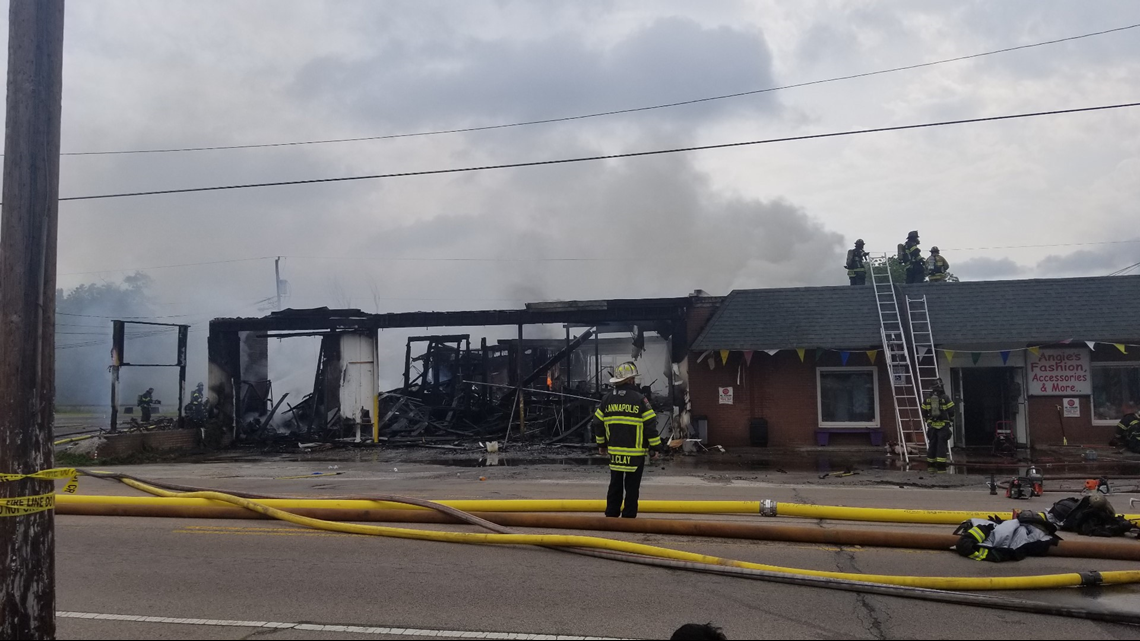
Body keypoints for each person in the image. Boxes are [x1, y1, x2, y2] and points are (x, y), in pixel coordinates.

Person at [592, 361, 661, 518]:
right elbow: (650, 425)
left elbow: (597, 422)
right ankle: (629, 517)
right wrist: (655, 448)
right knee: (632, 487)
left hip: (615, 453)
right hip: (635, 454)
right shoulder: (640, 399)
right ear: (630, 380)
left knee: (615, 484)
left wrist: (601, 444)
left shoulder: (607, 399)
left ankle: (611, 515)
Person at [921, 380, 955, 470]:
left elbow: (923, 412)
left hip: (932, 425)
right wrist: (951, 419)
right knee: (941, 445)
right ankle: (941, 464)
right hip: (943, 425)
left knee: (932, 444)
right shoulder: (945, 398)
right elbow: (951, 411)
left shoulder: (927, 398)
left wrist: (928, 421)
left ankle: (931, 462)